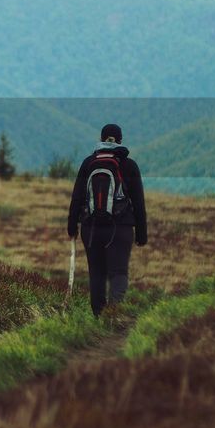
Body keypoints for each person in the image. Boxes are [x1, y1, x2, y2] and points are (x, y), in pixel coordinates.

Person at [67, 123, 147, 316]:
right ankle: (114, 314)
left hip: (91, 228)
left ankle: (98, 316)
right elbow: (138, 201)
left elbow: (77, 197)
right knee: (118, 272)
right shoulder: (128, 165)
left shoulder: (88, 163)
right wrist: (141, 233)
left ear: (102, 139)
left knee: (97, 273)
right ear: (120, 140)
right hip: (120, 228)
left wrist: (72, 226)